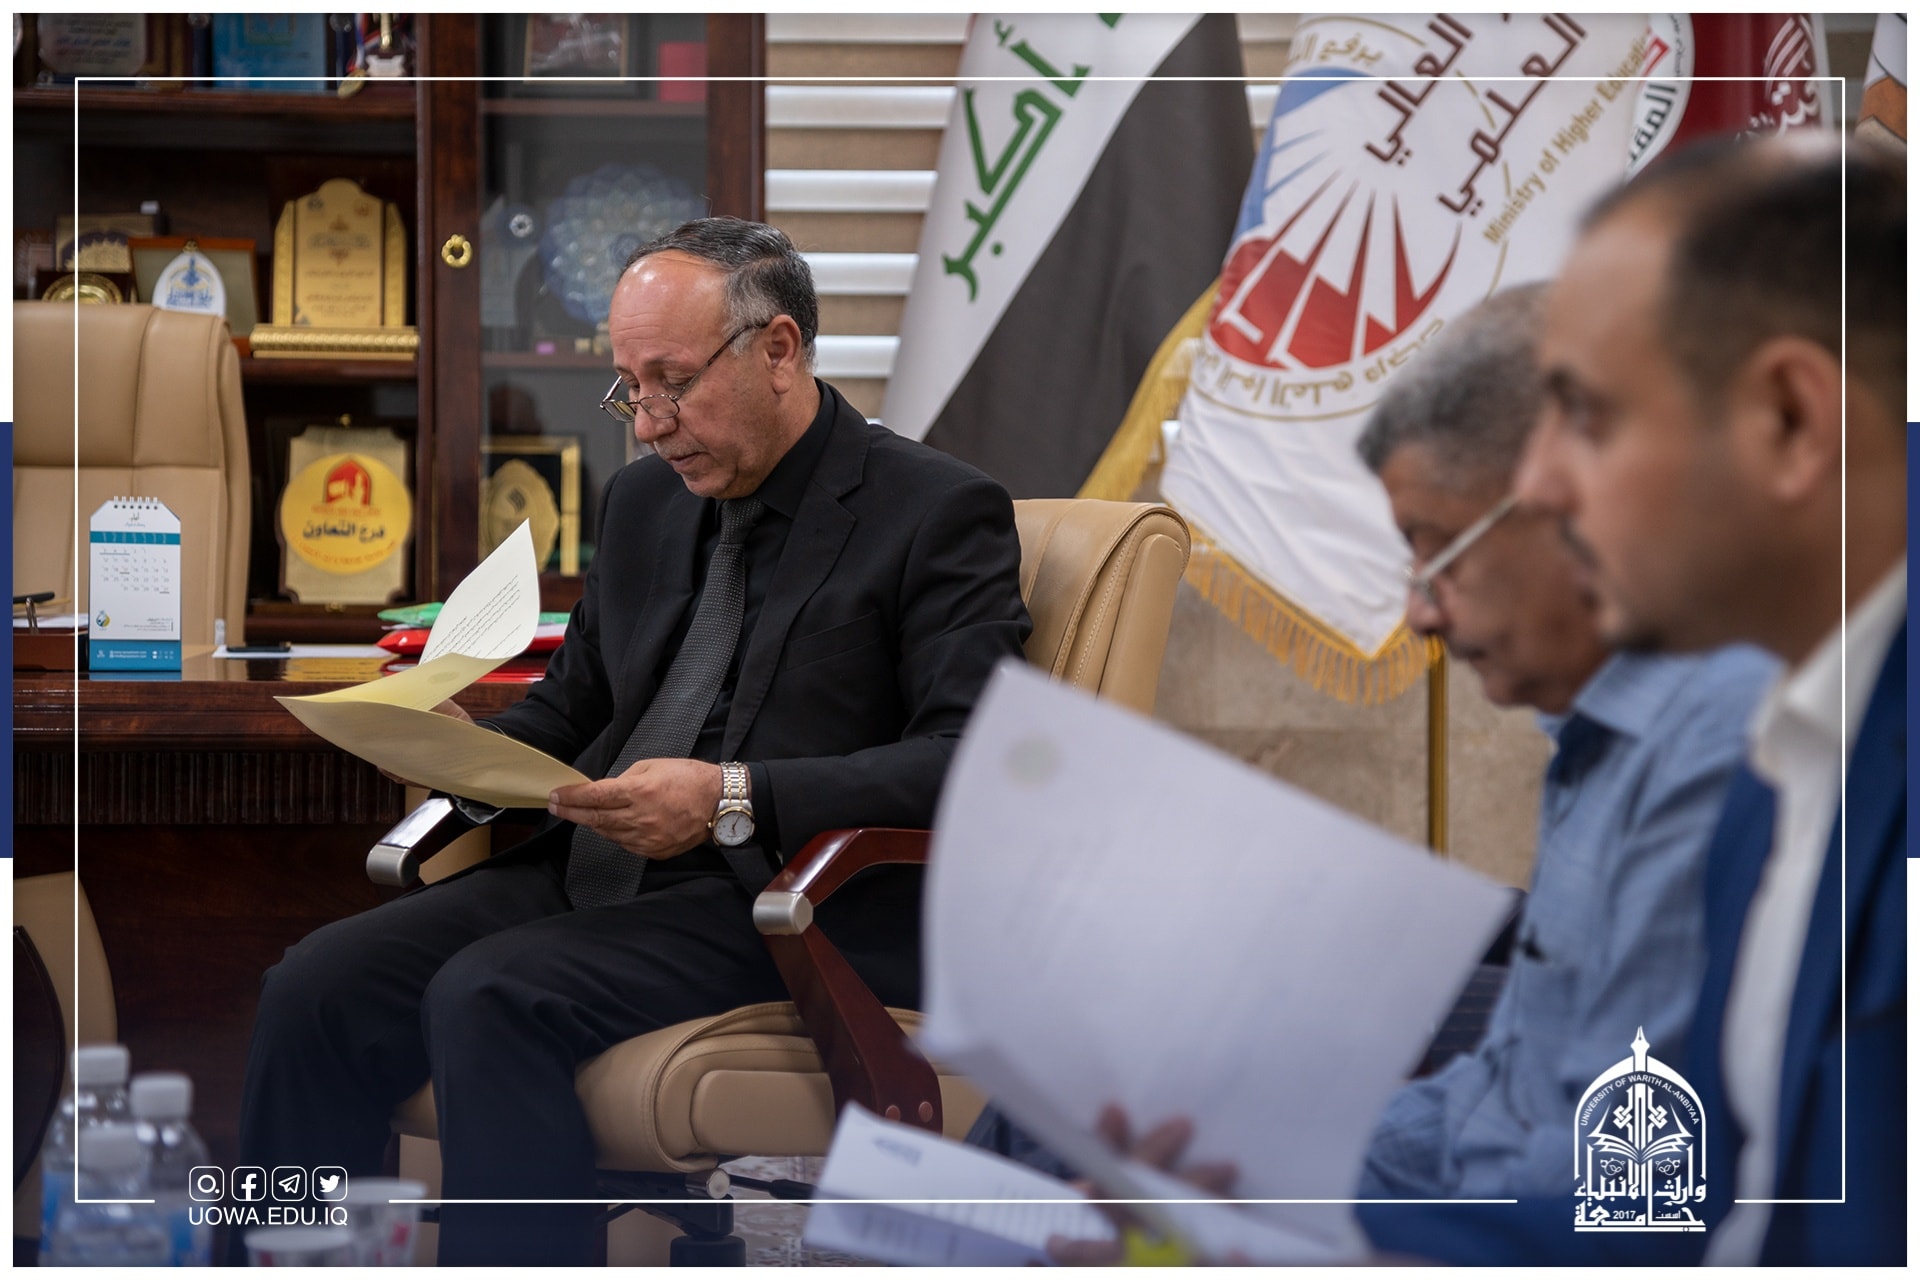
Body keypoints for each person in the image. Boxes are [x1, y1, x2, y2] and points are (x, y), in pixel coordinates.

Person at [1080, 136, 1901, 1265]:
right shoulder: (1796, 743)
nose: (1545, 484)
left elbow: (1652, 1225)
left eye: (1589, 418)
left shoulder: (1755, 744)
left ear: (1790, 423)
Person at [237, 218, 1032, 1264]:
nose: (650, 423)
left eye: (674, 383)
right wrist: (455, 749)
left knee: (492, 992)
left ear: (779, 349)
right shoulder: (646, 502)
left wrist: (729, 793)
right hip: (604, 870)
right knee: (314, 984)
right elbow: (573, 710)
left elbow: (968, 760)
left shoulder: (936, 511)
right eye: (630, 387)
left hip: (789, 898)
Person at [1014, 287, 1772, 1233]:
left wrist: (1261, 1242)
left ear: (1567, 507)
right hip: (1460, 1209)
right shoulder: (1594, 734)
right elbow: (1486, 1108)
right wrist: (1234, 1179)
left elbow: (1628, 1208)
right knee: (1074, 1120)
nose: (1420, 612)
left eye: (1436, 551)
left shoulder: (1718, 752)